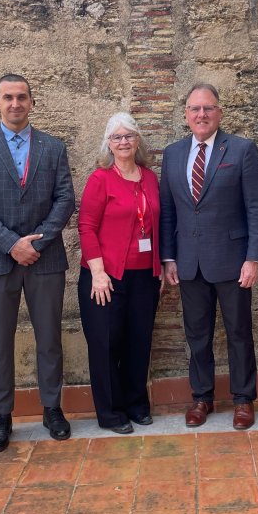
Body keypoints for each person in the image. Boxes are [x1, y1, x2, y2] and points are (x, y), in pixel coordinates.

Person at [0, 74, 76, 453]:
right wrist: (12, 244)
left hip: (45, 258)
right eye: (8, 97)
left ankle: (52, 409)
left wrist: (35, 243)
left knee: (49, 338)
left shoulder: (53, 147)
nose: (15, 104)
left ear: (31, 102)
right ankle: (1, 417)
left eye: (22, 97)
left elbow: (64, 200)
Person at [159, 83, 258, 430]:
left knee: (238, 332)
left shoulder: (241, 149)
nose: (201, 115)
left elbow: (257, 207)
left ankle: (243, 399)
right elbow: (167, 212)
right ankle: (202, 397)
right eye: (194, 109)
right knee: (197, 334)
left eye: (208, 108)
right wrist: (168, 257)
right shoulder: (173, 154)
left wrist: (254, 258)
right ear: (186, 115)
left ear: (219, 112)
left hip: (233, 261)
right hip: (189, 262)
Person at [77, 114, 161, 434]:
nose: (123, 142)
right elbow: (86, 227)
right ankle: (111, 413)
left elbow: (155, 224)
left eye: (129, 136)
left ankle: (137, 404)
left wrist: (161, 266)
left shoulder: (150, 178)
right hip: (107, 276)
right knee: (106, 343)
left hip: (144, 277)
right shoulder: (100, 179)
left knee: (139, 341)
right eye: (117, 137)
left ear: (137, 140)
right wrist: (98, 273)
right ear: (108, 144)